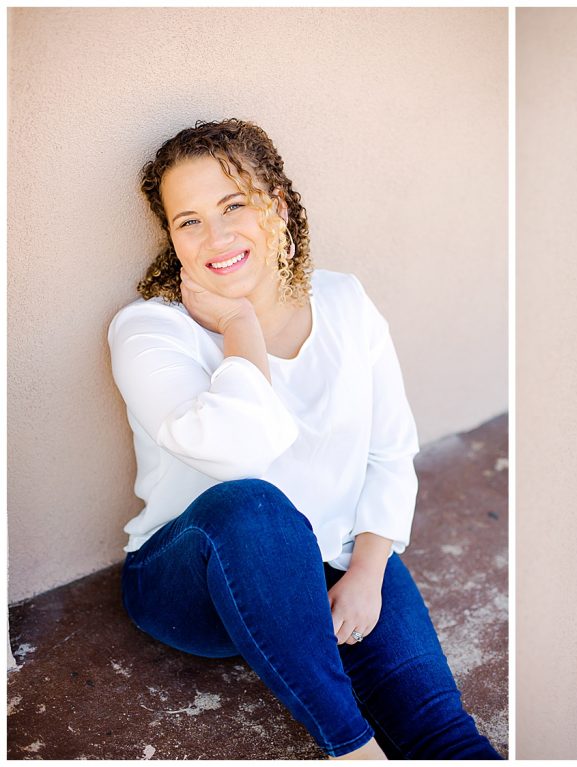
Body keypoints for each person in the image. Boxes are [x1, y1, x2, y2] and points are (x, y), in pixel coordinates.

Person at [108, 119, 501, 760]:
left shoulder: (345, 302)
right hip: (192, 580)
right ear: (172, 238)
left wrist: (370, 570)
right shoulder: (149, 332)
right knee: (254, 505)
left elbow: (390, 449)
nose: (216, 236)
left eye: (234, 205)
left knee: (442, 731)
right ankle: (351, 749)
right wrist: (240, 323)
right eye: (189, 221)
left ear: (279, 207)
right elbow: (242, 453)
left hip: (335, 553)